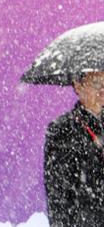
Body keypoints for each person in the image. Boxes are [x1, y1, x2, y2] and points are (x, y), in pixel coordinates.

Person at [44, 71, 104, 226]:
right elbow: (58, 196)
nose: (102, 91)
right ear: (78, 86)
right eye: (97, 83)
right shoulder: (62, 130)